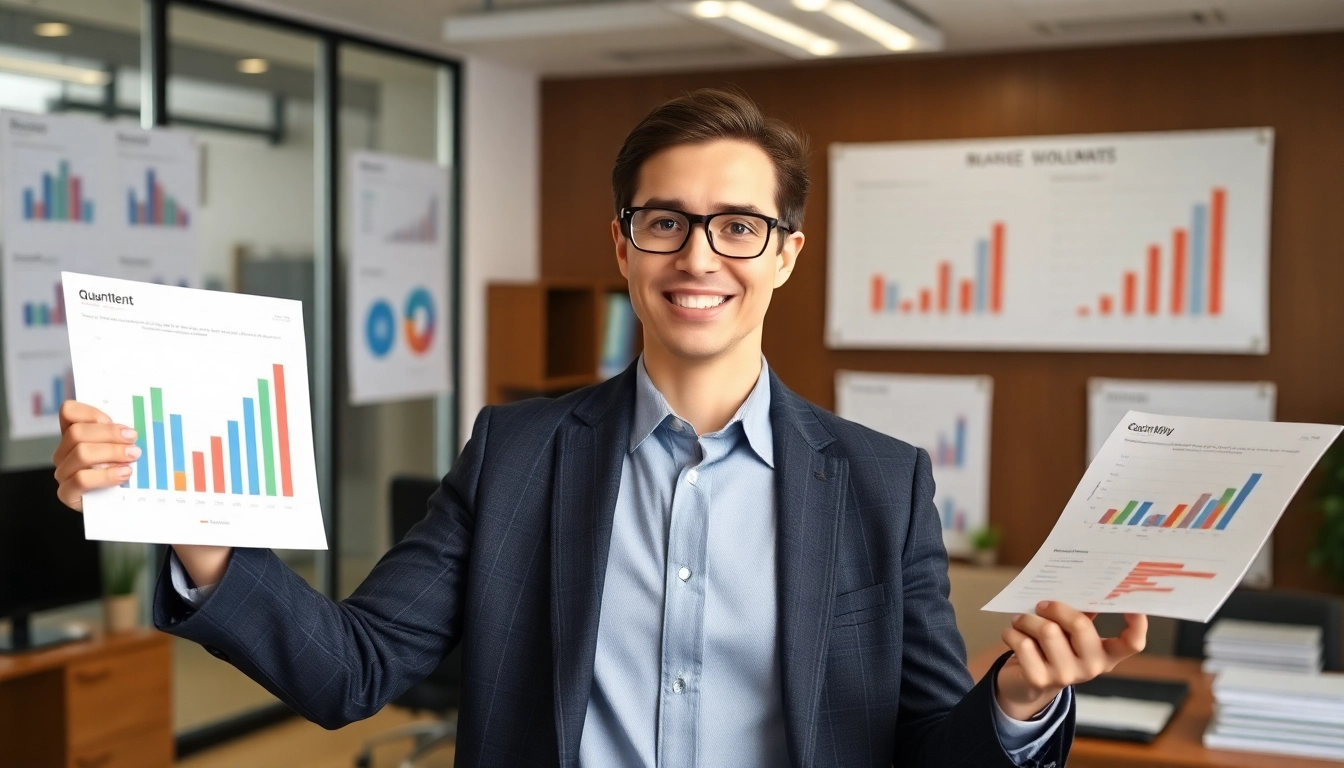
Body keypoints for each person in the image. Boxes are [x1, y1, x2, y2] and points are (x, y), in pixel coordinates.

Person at [54, 88, 1145, 767]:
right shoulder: (518, 454)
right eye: (664, 221)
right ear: (623, 247)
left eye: (739, 225)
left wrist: (1015, 698)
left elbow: (920, 750)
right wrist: (196, 535)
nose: (699, 255)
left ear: (786, 255)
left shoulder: (878, 483)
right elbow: (355, 670)